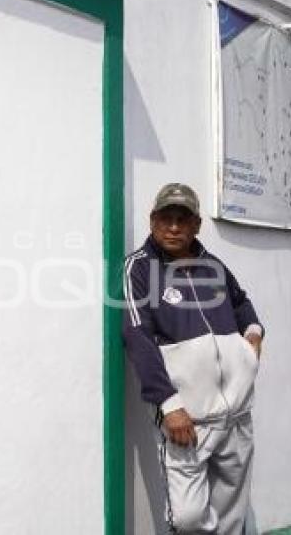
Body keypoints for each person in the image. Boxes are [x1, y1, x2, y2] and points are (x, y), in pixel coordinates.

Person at [123, 183, 264, 534]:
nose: (173, 227)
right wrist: (169, 404)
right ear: (152, 221)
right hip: (188, 420)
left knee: (232, 517)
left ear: (196, 225)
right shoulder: (139, 270)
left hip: (236, 416)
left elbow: (241, 302)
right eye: (165, 218)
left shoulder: (213, 265)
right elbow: (137, 336)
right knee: (187, 519)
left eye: (182, 220)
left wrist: (253, 336)